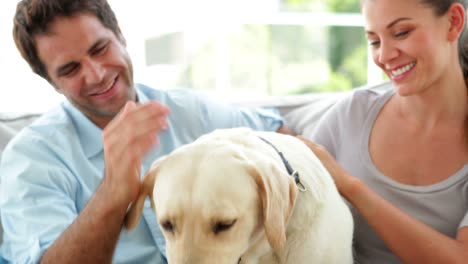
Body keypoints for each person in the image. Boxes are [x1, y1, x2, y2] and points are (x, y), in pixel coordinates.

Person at [0, 0, 294, 263]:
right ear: (51, 82)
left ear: (120, 35)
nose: (97, 74)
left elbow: (281, 136)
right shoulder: (31, 160)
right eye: (70, 69)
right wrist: (112, 192)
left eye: (100, 48)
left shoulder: (190, 112)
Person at [299, 0, 468, 263]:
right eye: (375, 41)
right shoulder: (349, 116)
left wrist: (352, 188)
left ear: (454, 21)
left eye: (401, 33)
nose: (384, 56)